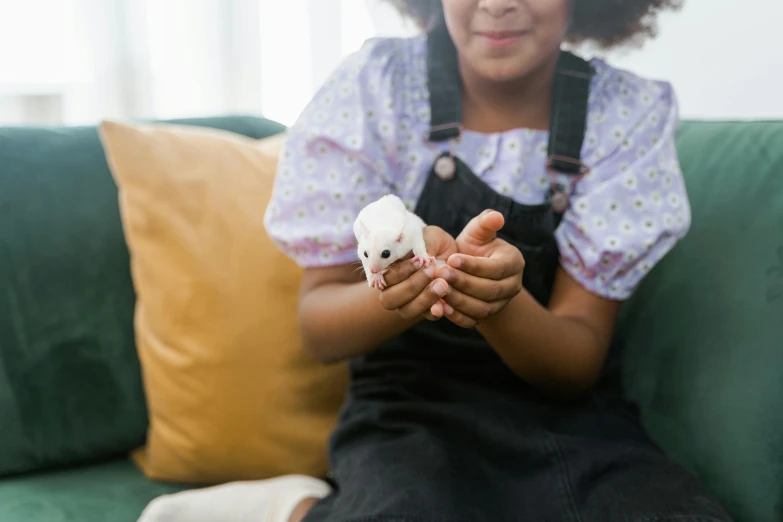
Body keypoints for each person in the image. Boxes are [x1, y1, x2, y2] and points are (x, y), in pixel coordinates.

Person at [138, 1, 735, 521]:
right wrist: (403, 291)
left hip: (568, 421)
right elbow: (317, 329)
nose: (498, 4)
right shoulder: (376, 92)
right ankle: (291, 509)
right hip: (407, 414)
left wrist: (500, 305)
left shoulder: (622, 116)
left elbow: (575, 361)